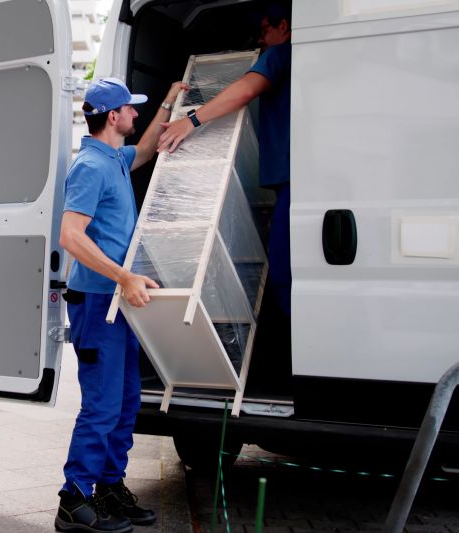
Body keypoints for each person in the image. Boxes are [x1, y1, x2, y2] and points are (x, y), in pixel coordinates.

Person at [56, 77, 188, 533]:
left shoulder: (115, 157)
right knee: (102, 404)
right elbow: (70, 236)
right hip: (96, 300)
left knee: (127, 400)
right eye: (130, 109)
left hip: (116, 300)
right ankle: (73, 500)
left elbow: (148, 148)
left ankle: (110, 487)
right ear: (113, 117)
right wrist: (124, 276)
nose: (135, 114)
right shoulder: (90, 167)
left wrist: (172, 101)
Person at [157, 2, 292, 316]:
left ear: (282, 26)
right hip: (292, 182)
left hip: (291, 184)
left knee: (283, 275)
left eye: (263, 30)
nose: (260, 41)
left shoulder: (281, 54)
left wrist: (189, 121)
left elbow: (244, 90)